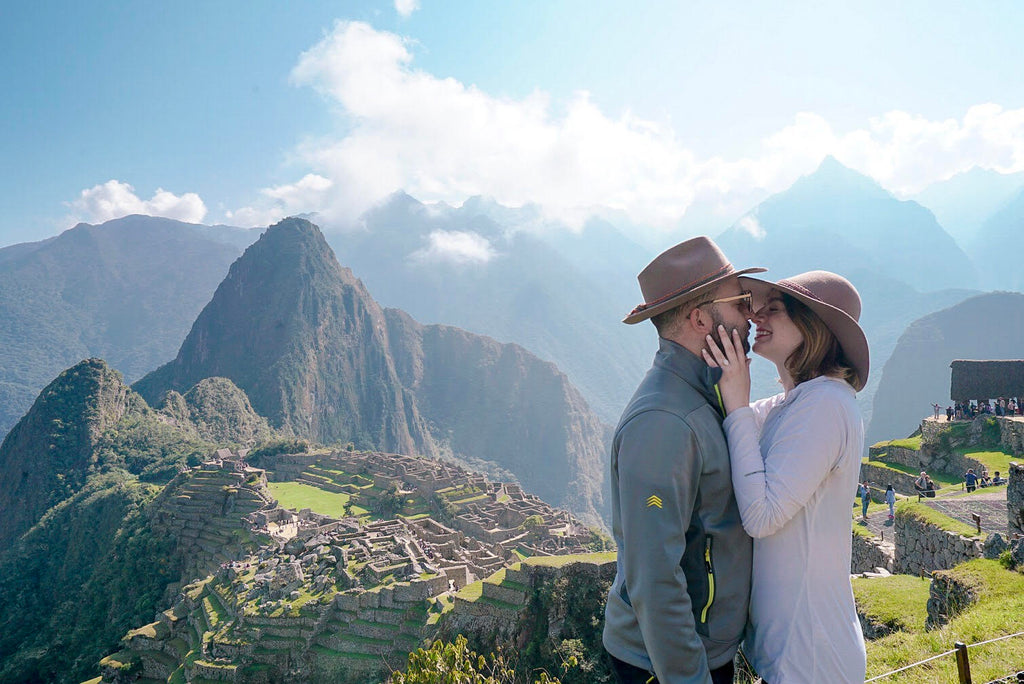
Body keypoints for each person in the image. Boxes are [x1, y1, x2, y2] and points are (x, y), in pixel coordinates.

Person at [603, 237, 761, 684]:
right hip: (666, 662)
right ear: (698, 318)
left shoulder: (699, 396)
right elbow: (654, 575)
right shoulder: (664, 423)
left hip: (696, 650)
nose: (749, 315)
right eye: (739, 302)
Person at [703, 269, 869, 684]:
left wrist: (738, 402)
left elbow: (762, 515)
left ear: (813, 326)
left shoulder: (826, 404)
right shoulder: (791, 405)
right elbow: (729, 426)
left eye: (773, 309)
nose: (758, 315)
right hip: (789, 652)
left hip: (812, 657)